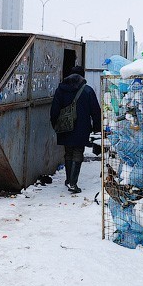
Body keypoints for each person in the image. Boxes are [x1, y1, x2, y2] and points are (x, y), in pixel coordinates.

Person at [50, 65, 101, 194]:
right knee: (78, 152)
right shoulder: (87, 90)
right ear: (82, 76)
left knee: (68, 151)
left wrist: (55, 124)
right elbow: (96, 111)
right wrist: (96, 128)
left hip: (64, 126)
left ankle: (68, 180)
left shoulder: (60, 90)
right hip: (81, 127)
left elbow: (54, 110)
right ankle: (73, 183)